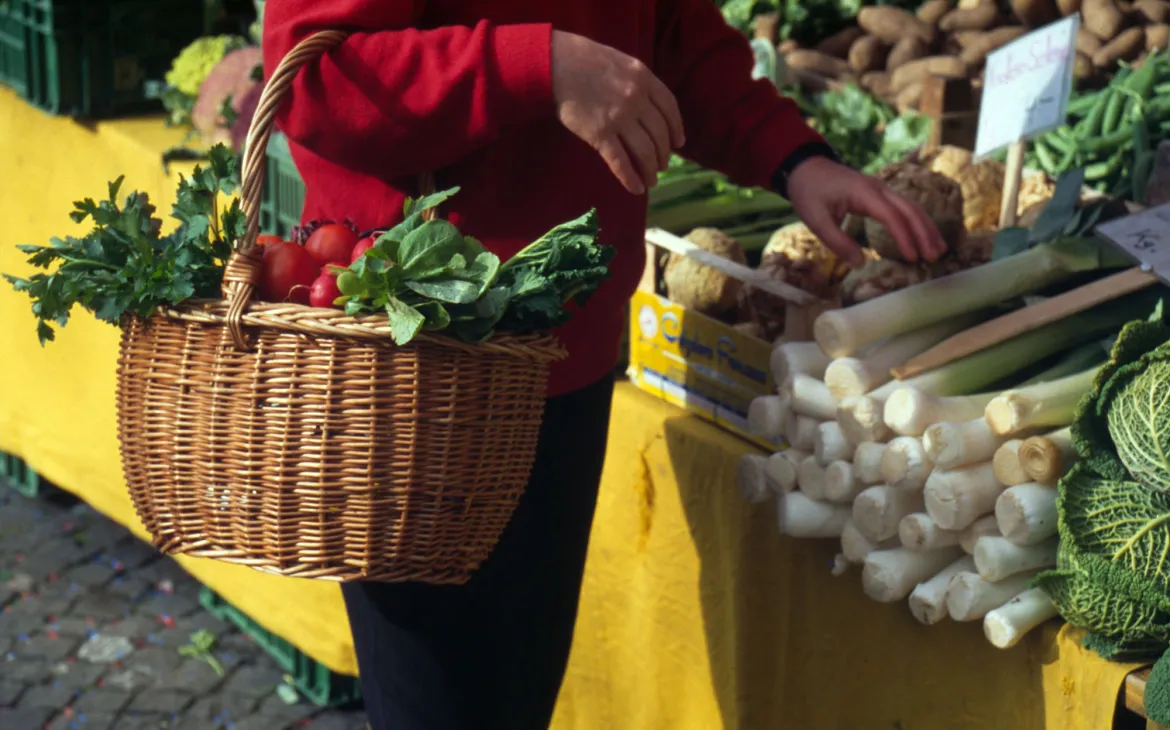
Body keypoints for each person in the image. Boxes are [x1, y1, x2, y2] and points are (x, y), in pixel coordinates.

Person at [263, 3, 944, 729]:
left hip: (565, 350)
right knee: (440, 703)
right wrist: (540, 66)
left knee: (517, 697)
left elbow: (668, 32)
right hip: (420, 366)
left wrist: (792, 157)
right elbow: (312, 74)